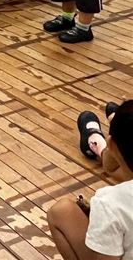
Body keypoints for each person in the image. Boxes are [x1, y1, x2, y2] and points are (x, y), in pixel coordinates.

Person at [47, 100, 133, 260]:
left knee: (61, 211)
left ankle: (98, 144)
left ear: (111, 145)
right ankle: (102, 140)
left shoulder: (108, 202)